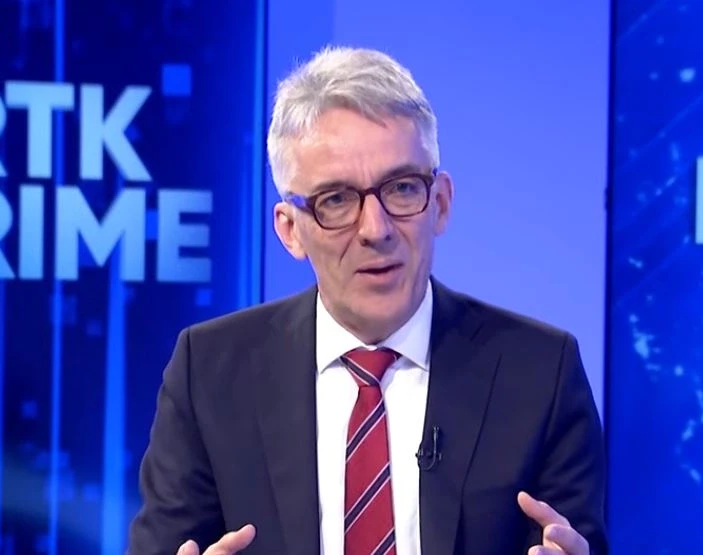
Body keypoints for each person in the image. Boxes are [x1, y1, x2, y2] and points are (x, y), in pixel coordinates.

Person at [127, 45, 607, 555]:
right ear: (290, 230)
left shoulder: (538, 373)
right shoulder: (210, 373)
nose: (376, 230)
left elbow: (577, 543)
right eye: (336, 200)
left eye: (401, 189)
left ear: (441, 203)